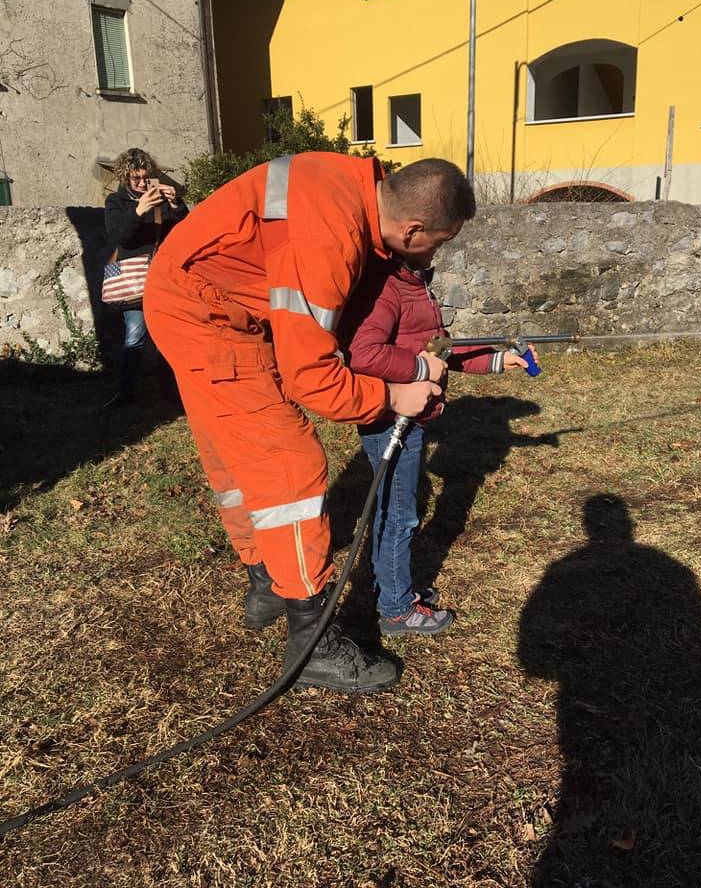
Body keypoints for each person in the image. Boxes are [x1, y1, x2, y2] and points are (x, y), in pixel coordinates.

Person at [143, 153, 475, 693]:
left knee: (235, 447)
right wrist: (394, 395)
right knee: (290, 466)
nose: (436, 252)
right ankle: (313, 642)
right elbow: (312, 381)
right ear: (413, 228)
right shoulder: (329, 239)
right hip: (204, 314)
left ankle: (267, 582)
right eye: (439, 241)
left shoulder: (351, 184)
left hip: (196, 293)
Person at [341, 252, 536, 637]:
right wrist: (417, 370)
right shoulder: (387, 289)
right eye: (435, 238)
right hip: (391, 420)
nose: (439, 249)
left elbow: (439, 349)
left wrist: (498, 361)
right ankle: (396, 609)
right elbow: (362, 354)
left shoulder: (415, 286)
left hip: (410, 420)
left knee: (394, 512)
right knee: (399, 517)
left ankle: (393, 589)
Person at [103, 148, 188, 410]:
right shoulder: (116, 203)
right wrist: (138, 212)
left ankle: (172, 395)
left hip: (162, 276)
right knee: (134, 335)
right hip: (135, 279)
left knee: (166, 336)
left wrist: (176, 205)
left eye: (145, 177)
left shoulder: (160, 199)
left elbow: (184, 230)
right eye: (135, 178)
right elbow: (120, 238)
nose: (141, 183)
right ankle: (126, 394)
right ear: (125, 177)